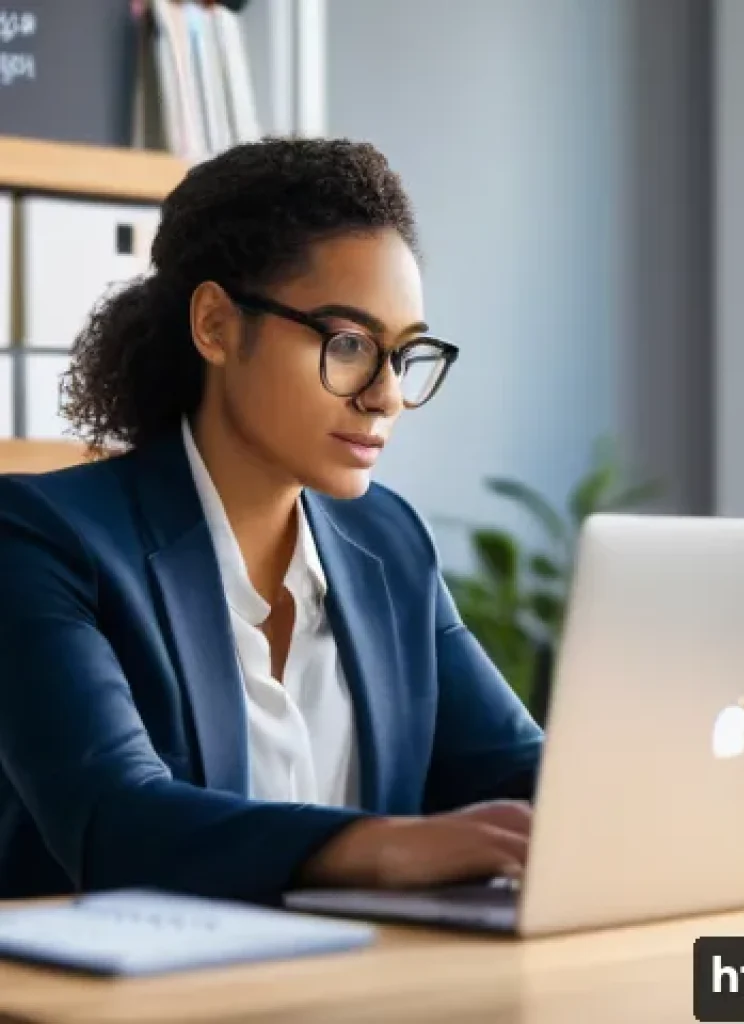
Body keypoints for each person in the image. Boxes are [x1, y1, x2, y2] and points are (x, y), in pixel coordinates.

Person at [0, 138, 543, 902]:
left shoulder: (388, 545)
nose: (386, 395)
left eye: (405, 354)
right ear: (217, 325)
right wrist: (382, 849)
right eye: (349, 344)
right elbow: (116, 822)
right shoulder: (42, 539)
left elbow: (521, 770)